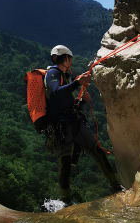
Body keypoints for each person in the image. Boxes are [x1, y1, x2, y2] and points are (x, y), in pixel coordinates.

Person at [44, 45, 122, 204]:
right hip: (62, 127)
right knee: (69, 163)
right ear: (65, 59)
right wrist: (77, 83)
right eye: (70, 59)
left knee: (94, 152)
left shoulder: (64, 75)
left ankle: (115, 187)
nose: (71, 62)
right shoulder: (53, 73)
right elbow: (56, 91)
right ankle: (67, 200)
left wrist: (79, 92)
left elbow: (64, 98)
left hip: (71, 123)